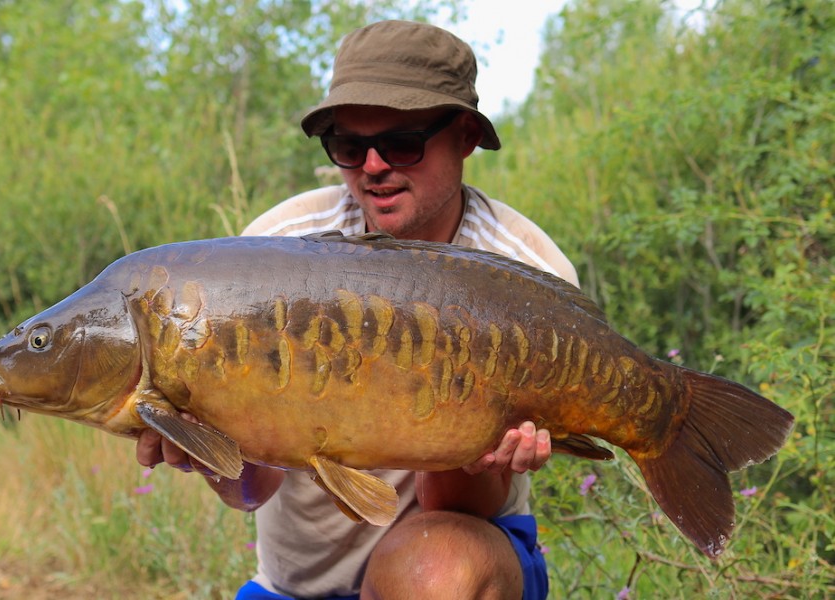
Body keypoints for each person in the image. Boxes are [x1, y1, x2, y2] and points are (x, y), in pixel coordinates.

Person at [137, 20, 580, 600]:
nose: (372, 166)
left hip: (453, 560)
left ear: (466, 135)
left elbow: (452, 505)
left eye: (402, 143)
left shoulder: (528, 280)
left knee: (431, 574)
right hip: (294, 587)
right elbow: (254, 491)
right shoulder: (274, 252)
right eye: (349, 146)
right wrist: (207, 448)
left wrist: (479, 440)